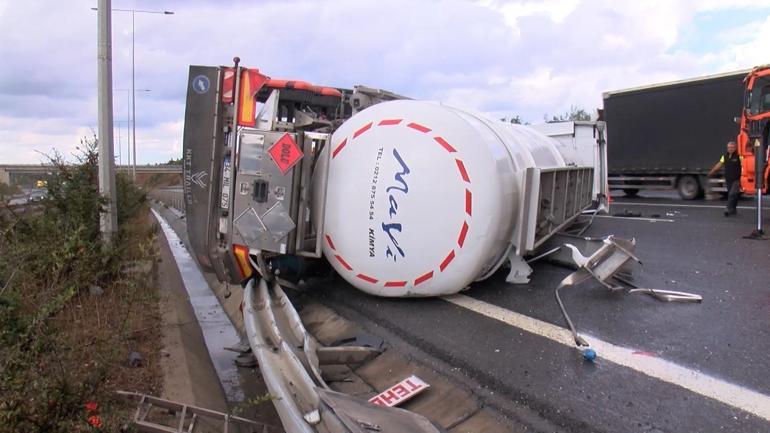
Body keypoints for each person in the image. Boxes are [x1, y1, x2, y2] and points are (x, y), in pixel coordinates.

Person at [708, 141, 742, 216]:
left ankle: (728, 209)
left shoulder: (739, 156)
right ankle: (733, 209)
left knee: (732, 194)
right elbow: (719, 164)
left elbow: (744, 165)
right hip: (728, 179)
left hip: (737, 179)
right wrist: (712, 172)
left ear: (735, 148)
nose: (730, 149)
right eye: (729, 147)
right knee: (733, 194)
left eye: (732, 147)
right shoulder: (725, 156)